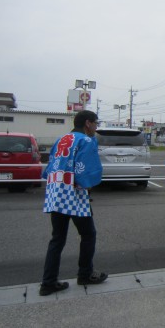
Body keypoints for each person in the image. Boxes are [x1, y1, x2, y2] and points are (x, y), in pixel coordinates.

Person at [39, 110, 107, 296]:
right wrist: (87, 184)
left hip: (55, 191)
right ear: (87, 123)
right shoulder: (86, 141)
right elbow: (86, 171)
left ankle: (48, 282)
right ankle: (85, 274)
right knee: (88, 234)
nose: (96, 126)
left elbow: (50, 166)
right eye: (95, 123)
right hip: (74, 193)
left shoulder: (62, 139)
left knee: (57, 238)